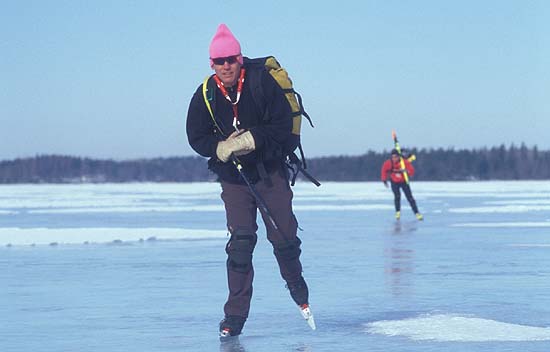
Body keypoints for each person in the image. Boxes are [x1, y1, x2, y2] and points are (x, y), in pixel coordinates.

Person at [186, 24, 311, 337]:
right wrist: (219, 148)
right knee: (240, 245)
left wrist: (252, 139)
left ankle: (297, 288)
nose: (226, 65)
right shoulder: (206, 94)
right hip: (235, 179)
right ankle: (234, 318)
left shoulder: (261, 83)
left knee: (284, 239)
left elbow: (283, 128)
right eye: (219, 61)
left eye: (230, 59)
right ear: (211, 64)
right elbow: (195, 135)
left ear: (239, 58)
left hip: (269, 172)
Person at [381, 149, 423, 220]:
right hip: (394, 182)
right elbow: (383, 170)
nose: (394, 159)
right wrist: (384, 180)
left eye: (396, 157)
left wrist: (407, 172)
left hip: (404, 181)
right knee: (397, 196)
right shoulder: (388, 163)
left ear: (399, 157)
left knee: (410, 198)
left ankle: (417, 213)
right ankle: (398, 212)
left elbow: (412, 171)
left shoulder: (404, 162)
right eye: (393, 157)